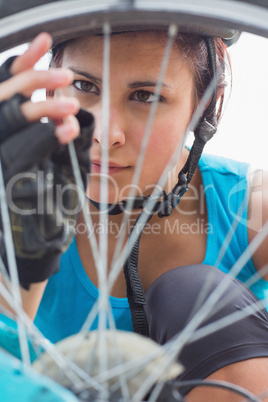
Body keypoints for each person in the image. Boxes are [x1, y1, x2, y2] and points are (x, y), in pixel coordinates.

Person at [0, 25, 268, 401]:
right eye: (84, 86)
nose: (106, 134)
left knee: (192, 294)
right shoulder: (12, 201)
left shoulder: (253, 204)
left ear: (205, 104)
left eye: (145, 95)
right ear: (51, 89)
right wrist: (16, 262)